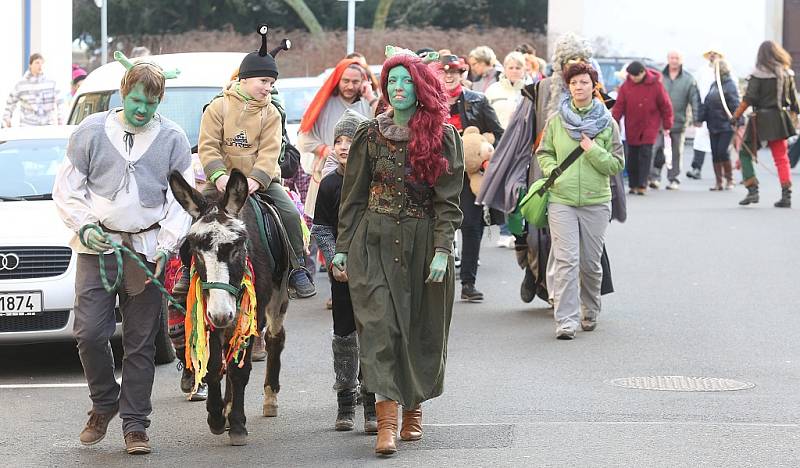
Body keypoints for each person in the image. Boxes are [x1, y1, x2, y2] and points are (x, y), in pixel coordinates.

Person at [52, 52, 193, 455]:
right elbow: (67, 188)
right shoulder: (91, 131)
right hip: (97, 247)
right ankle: (104, 403)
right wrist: (84, 225)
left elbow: (181, 201)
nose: (142, 109)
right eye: (136, 101)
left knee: (140, 343)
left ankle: (135, 424)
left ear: (159, 102)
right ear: (123, 93)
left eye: (150, 103)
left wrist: (167, 245)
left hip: (146, 251)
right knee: (90, 333)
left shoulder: (173, 139)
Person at [332, 46, 464, 456]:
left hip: (424, 244)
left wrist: (443, 249)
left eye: (407, 80)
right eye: (393, 81)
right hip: (373, 243)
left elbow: (448, 202)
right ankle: (385, 425)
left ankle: (413, 412)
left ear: (421, 86)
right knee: (379, 330)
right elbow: (352, 198)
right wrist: (341, 249)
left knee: (420, 330)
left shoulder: (443, 136)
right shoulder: (369, 134)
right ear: (385, 89)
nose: (400, 87)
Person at [198, 26, 316, 297]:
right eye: (263, 81)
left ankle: (297, 267)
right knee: (193, 216)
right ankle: (185, 269)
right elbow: (208, 146)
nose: (268, 87)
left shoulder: (272, 113)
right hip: (222, 182)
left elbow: (270, 151)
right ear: (243, 79)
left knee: (288, 213)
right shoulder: (218, 107)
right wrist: (219, 176)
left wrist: (255, 179)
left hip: (260, 183)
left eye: (272, 83)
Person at [536, 62, 624, 339]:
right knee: (566, 260)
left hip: (596, 201)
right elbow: (544, 153)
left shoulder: (607, 123)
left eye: (584, 82)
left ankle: (590, 308)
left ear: (593, 85)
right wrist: (553, 172)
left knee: (589, 262)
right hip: (561, 200)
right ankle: (566, 320)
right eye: (574, 83)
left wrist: (593, 150)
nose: (578, 87)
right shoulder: (556, 121)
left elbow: (616, 164)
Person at [310, 109, 377, 434]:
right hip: (343, 273)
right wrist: (335, 259)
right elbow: (322, 228)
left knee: (373, 335)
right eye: (338, 140)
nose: (343, 147)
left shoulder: (376, 182)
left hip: (374, 271)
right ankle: (345, 400)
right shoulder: (330, 183)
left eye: (351, 140)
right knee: (344, 336)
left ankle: (371, 400)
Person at [432, 54, 503, 301]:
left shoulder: (477, 101)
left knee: (472, 227)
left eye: (454, 71)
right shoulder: (428, 103)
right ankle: (439, 277)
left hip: (471, 175)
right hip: (438, 175)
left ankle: (468, 283)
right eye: (444, 71)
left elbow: (499, 133)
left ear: (462, 74)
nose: (449, 76)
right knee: (439, 226)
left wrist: (486, 147)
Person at [297, 57, 376, 217]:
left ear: (363, 82)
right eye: (345, 81)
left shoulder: (368, 103)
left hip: (360, 177)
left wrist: (370, 96)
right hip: (326, 174)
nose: (350, 86)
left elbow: (383, 123)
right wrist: (327, 150)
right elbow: (304, 138)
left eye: (355, 82)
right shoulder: (323, 105)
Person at [732, 40, 798, 208]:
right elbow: (794, 100)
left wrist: (736, 115)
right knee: (781, 158)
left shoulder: (758, 74)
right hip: (780, 119)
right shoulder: (787, 73)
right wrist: (795, 116)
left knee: (745, 153)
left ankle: (752, 190)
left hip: (760, 120)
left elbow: (749, 98)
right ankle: (786, 195)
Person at [612, 61, 674, 195]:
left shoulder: (656, 85)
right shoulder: (626, 86)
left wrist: (667, 124)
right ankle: (633, 184)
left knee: (645, 155)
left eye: (636, 76)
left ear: (643, 72)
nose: (633, 78)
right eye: (631, 76)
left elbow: (665, 105)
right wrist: (614, 121)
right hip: (632, 126)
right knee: (632, 156)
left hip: (650, 126)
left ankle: (642, 184)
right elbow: (619, 106)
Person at [649, 51, 701, 190]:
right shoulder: (659, 77)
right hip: (658, 122)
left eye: (677, 58)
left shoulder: (689, 79)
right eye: (672, 58)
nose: (674, 61)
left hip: (679, 121)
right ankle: (654, 177)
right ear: (668, 59)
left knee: (676, 152)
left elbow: (694, 100)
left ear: (681, 60)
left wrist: (697, 118)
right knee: (656, 149)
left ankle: (674, 179)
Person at [696, 59, 741, 191]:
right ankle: (719, 182)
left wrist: (737, 121)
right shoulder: (714, 85)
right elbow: (707, 104)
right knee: (715, 153)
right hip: (713, 125)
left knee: (722, 152)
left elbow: (735, 104)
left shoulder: (729, 85)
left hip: (726, 125)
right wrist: (700, 118)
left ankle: (729, 179)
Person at [3, 53, 63, 127]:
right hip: (27, 125)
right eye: (37, 63)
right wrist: (7, 119)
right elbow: (11, 102)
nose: (40, 65)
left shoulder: (51, 83)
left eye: (42, 63)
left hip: (48, 125)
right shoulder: (21, 84)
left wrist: (60, 119)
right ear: (30, 65)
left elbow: (60, 102)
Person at [486, 51, 527, 129]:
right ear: (504, 69)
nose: (514, 71)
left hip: (522, 137)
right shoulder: (492, 90)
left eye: (518, 68)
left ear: (524, 70)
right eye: (511, 68)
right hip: (498, 137)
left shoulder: (530, 91)